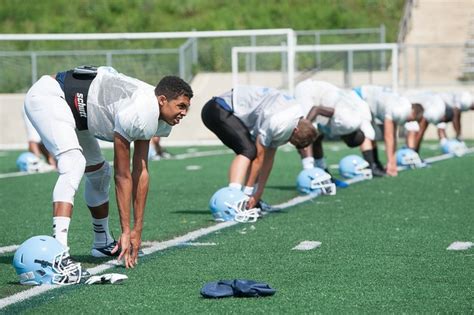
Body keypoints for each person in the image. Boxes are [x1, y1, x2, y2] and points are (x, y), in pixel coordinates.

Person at [24, 65, 193, 269]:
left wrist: (137, 231)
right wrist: (125, 230)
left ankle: (102, 242)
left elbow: (140, 172)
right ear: (163, 100)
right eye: (181, 106)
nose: (184, 113)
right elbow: (123, 176)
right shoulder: (140, 111)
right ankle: (57, 254)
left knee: (99, 173)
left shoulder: (157, 113)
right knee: (74, 163)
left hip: (80, 112)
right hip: (51, 96)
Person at [201, 85, 317, 209]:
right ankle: (233, 198)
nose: (286, 141)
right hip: (217, 108)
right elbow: (259, 159)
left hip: (226, 110)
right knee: (248, 150)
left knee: (251, 150)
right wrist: (249, 192)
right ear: (295, 130)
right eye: (290, 140)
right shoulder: (277, 122)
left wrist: (258, 192)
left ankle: (242, 197)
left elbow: (268, 158)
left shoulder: (295, 114)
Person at [294, 79, 377, 178]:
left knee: (317, 135)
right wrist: (304, 127)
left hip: (323, 90)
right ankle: (309, 173)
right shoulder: (347, 124)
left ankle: (322, 170)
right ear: (346, 137)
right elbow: (316, 109)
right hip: (308, 92)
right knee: (308, 132)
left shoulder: (360, 119)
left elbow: (370, 134)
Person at [353, 85, 424, 176]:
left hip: (365, 98)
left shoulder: (402, 105)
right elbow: (389, 136)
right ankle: (372, 166)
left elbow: (393, 136)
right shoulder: (399, 110)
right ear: (413, 112)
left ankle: (376, 163)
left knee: (375, 133)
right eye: (412, 120)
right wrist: (391, 162)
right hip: (358, 97)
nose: (409, 122)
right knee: (367, 131)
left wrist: (392, 160)